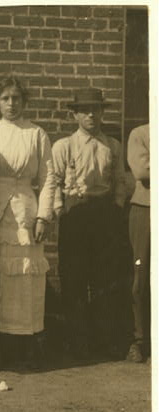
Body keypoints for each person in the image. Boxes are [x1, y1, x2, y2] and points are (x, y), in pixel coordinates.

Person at [0, 76, 56, 369]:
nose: (11, 104)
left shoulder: (36, 134)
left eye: (16, 98)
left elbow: (48, 178)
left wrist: (43, 215)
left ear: (24, 101)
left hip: (26, 212)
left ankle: (21, 347)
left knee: (23, 277)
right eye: (5, 98)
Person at [51, 88, 127, 360]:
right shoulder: (64, 146)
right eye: (85, 110)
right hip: (75, 214)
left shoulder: (113, 146)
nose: (91, 115)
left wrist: (117, 205)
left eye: (96, 109)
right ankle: (76, 342)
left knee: (104, 279)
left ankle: (102, 341)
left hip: (104, 214)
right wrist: (60, 211)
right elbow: (54, 181)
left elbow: (119, 179)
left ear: (103, 112)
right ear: (75, 115)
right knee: (73, 278)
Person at [126, 123, 150, 363]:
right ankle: (139, 339)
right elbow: (143, 172)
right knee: (140, 276)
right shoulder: (140, 133)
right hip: (146, 208)